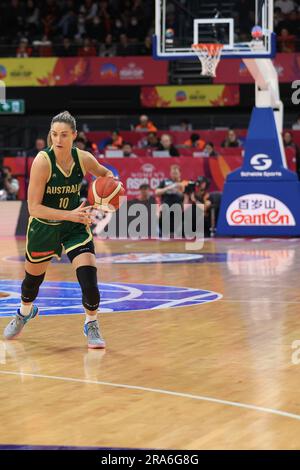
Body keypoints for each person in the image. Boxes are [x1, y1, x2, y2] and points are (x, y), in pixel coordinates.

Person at [3, 111, 116, 349]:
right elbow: (34, 208)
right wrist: (70, 214)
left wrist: (111, 189)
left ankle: (91, 323)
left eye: (64, 135)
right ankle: (24, 312)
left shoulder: (83, 158)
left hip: (74, 226)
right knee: (31, 283)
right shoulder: (42, 162)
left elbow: (107, 175)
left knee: (89, 281)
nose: (58, 139)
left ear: (74, 136)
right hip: (44, 227)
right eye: (54, 134)